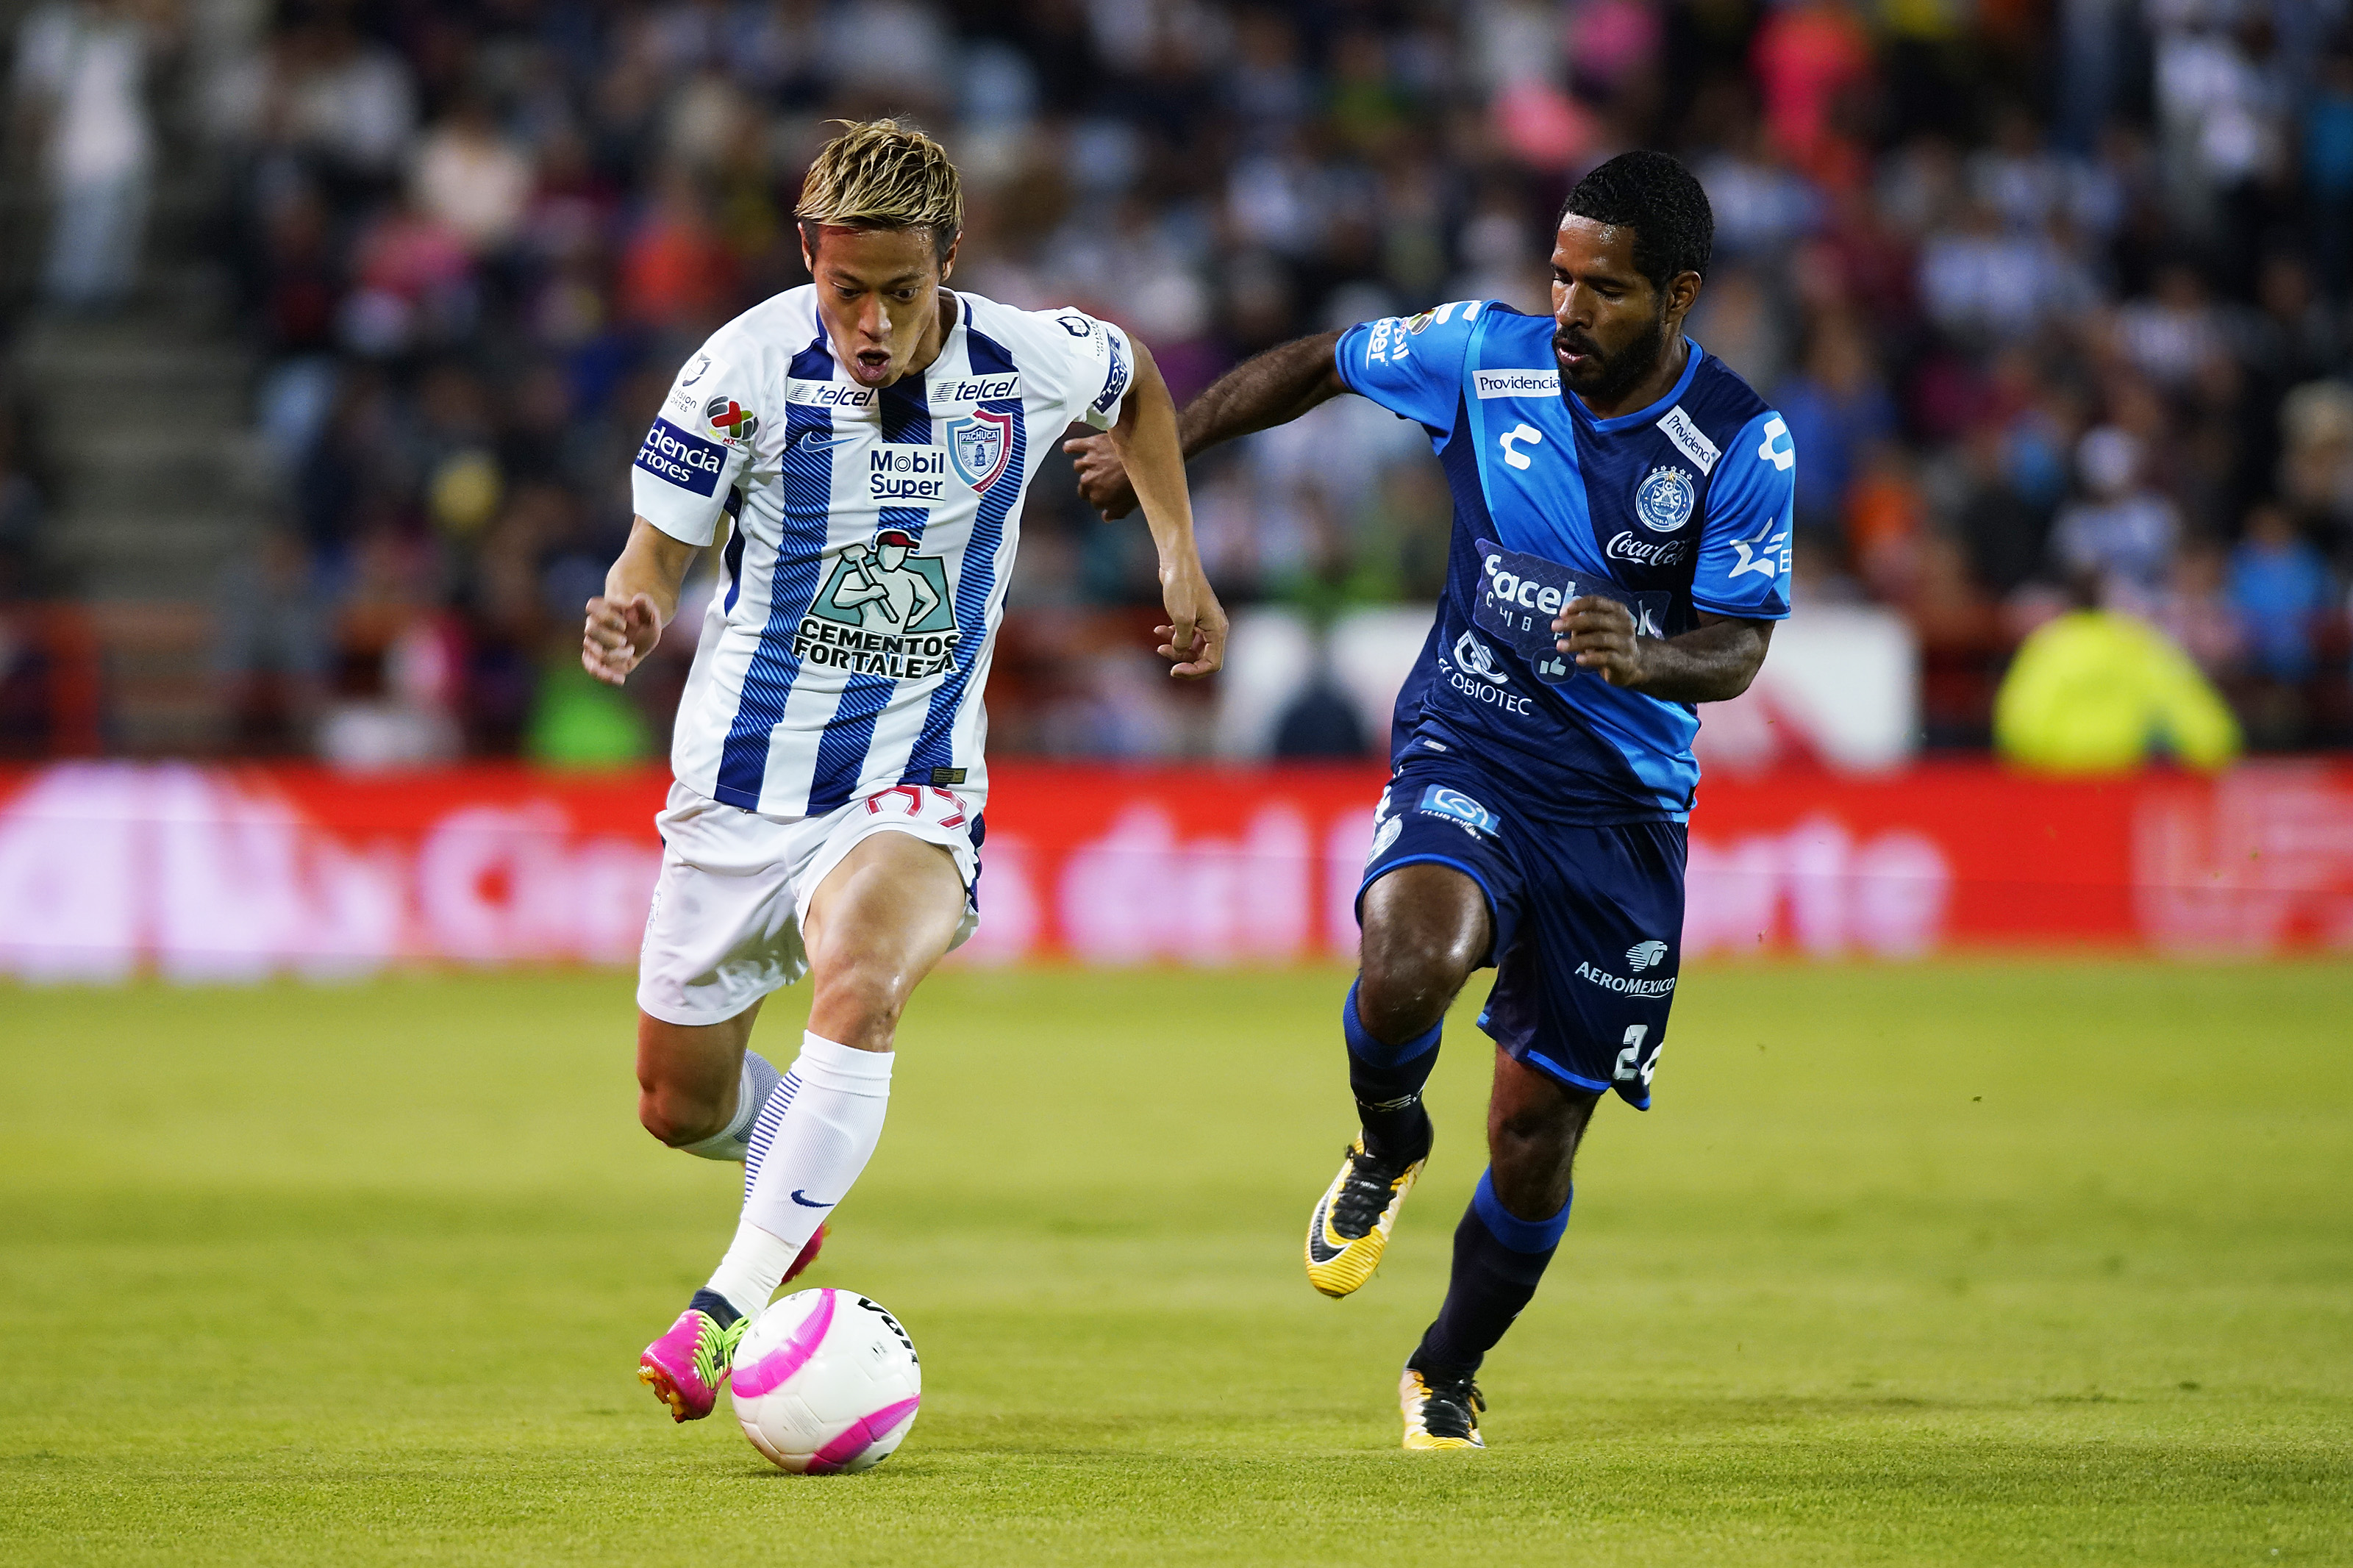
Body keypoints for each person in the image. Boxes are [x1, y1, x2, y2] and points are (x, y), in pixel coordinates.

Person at [1071, 150, 1793, 1450]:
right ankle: (1387, 1140)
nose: (1569, 309)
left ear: (1680, 296)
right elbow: (1316, 363)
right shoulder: (1482, 354)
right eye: (1560, 277)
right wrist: (1157, 448)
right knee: (1410, 956)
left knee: (1531, 1137)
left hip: (1619, 811)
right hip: (1470, 738)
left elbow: (1739, 647)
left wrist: (1654, 655)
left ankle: (1445, 1368)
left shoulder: (1741, 441)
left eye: (1608, 290)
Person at [582, 120, 1226, 1425]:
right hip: (740, 788)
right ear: (808, 260)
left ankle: (720, 1312)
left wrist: (1179, 552)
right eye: (846, 290)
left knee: (863, 982)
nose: (872, 321)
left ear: (952, 261)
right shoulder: (739, 369)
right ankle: (788, 1181)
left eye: (902, 291)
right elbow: (653, 554)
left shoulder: (1027, 358)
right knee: (674, 1101)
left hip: (912, 782)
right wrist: (633, 606)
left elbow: (1139, 378)